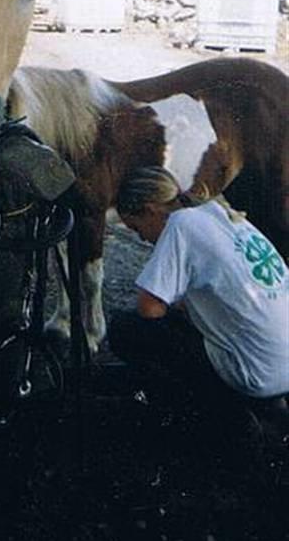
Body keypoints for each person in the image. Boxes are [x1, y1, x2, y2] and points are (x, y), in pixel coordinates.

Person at [107, 166, 289, 444]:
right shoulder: (219, 213)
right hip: (280, 361)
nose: (142, 239)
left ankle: (219, 416)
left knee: (126, 329)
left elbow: (149, 308)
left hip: (257, 374)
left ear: (150, 210)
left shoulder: (180, 224)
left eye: (136, 228)